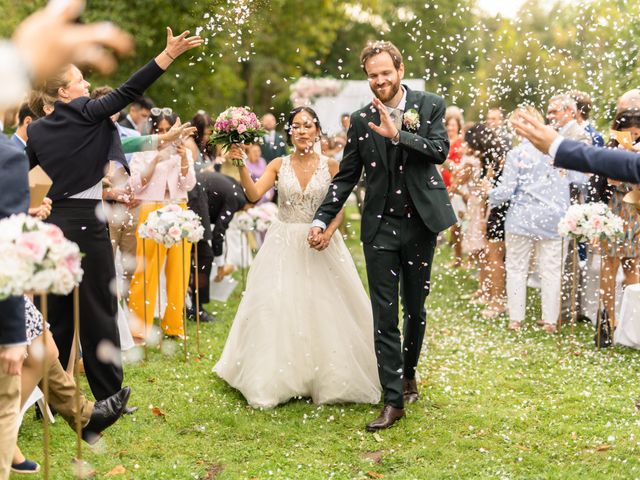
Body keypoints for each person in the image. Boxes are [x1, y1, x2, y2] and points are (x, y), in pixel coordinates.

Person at [25, 27, 202, 402]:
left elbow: (27, 178)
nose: (87, 85)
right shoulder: (88, 113)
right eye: (80, 80)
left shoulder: (37, 131)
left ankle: (46, 397)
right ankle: (108, 394)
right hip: (88, 224)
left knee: (55, 313)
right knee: (97, 310)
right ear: (64, 93)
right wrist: (167, 55)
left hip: (53, 225)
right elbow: (128, 90)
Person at [309, 41, 456, 431]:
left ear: (400, 69)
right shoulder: (359, 120)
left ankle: (408, 373)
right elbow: (346, 178)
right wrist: (322, 218)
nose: (379, 81)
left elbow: (439, 151)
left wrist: (398, 136)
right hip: (380, 228)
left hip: (421, 224)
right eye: (372, 75)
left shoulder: (428, 105)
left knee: (416, 308)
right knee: (384, 315)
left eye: (385, 73)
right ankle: (393, 399)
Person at [215, 107, 381, 409]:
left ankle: (326, 375)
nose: (302, 130)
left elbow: (339, 205)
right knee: (276, 306)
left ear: (317, 130)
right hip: (283, 240)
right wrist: (240, 164)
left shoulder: (331, 165)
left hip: (321, 242)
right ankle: (277, 377)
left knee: (325, 306)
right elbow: (253, 194)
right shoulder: (279, 164)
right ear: (289, 132)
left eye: (307, 125)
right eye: (296, 126)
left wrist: (328, 232)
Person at [489, 106, 588, 333]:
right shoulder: (559, 152)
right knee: (551, 270)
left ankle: (516, 319)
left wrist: (489, 194)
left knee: (516, 268)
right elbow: (579, 180)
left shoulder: (516, 155)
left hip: (521, 218)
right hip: (554, 219)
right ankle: (550, 321)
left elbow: (505, 192)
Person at [127, 111, 196, 339]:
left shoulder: (182, 152)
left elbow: (189, 184)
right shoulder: (143, 151)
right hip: (151, 210)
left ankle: (174, 325)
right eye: (160, 130)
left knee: (180, 270)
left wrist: (184, 159)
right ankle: (139, 327)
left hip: (179, 209)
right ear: (153, 131)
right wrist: (156, 158)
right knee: (145, 270)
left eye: (168, 129)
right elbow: (136, 185)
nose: (165, 134)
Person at [598, 109, 640, 326]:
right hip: (615, 211)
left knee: (632, 265)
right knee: (610, 263)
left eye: (636, 133)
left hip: (635, 213)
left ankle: (631, 321)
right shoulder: (611, 150)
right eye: (629, 133)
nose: (633, 137)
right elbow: (608, 183)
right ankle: (608, 318)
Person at [465, 124, 509, 318]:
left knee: (494, 256)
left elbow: (490, 192)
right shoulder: (490, 159)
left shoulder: (497, 161)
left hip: (499, 211)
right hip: (492, 210)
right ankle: (491, 295)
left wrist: (484, 218)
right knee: (490, 255)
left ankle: (497, 300)